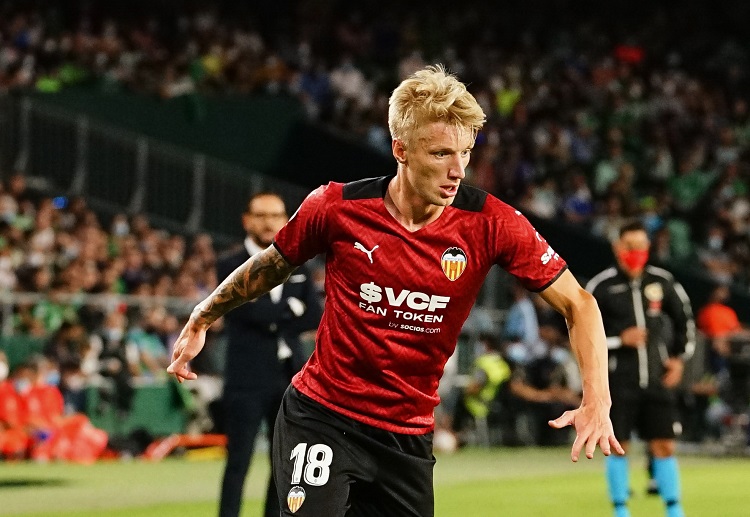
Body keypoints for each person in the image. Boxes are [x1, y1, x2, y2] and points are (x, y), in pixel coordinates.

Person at [168, 64, 623, 517]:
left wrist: (596, 399)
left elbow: (579, 303)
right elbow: (269, 266)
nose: (458, 170)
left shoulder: (494, 224)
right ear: (400, 149)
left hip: (406, 436)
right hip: (323, 417)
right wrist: (203, 315)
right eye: (441, 153)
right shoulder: (336, 207)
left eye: (465, 152)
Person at [216, 192, 322, 517]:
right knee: (239, 463)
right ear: (246, 220)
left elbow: (313, 316)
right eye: (261, 215)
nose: (268, 222)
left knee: (286, 465)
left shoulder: (298, 262)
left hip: (290, 378)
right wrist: (290, 309)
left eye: (275, 215)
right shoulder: (230, 263)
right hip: (246, 378)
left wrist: (272, 311)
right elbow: (242, 313)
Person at [586, 220, 695, 517]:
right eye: (631, 246)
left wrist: (679, 358)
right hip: (617, 382)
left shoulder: (662, 281)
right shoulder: (601, 286)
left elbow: (685, 319)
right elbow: (580, 333)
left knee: (664, 445)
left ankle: (674, 509)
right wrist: (619, 340)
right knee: (618, 446)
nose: (637, 252)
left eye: (642, 247)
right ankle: (621, 509)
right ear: (617, 247)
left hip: (657, 381)